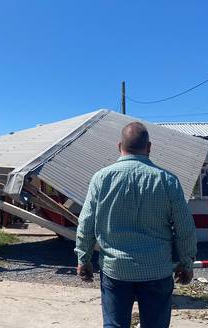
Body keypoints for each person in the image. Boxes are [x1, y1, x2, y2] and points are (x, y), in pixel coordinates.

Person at [75, 122, 197, 328]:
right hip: (157, 269)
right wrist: (186, 263)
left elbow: (86, 222)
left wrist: (83, 258)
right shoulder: (168, 181)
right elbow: (185, 229)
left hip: (115, 269)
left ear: (119, 146)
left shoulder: (101, 179)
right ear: (149, 147)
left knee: (114, 325)